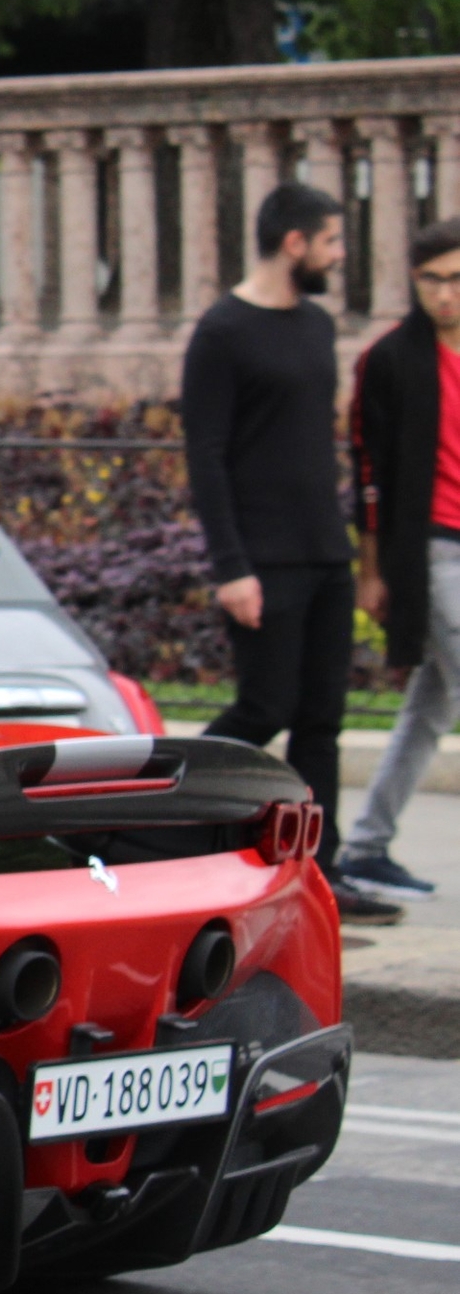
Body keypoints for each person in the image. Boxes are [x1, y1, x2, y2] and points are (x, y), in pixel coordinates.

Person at [182, 181, 401, 925]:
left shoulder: (314, 325)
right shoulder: (222, 331)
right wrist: (230, 567)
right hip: (261, 561)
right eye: (333, 241)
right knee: (263, 707)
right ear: (296, 243)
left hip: (323, 552)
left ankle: (322, 872)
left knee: (321, 720)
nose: (340, 255)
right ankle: (170, 806)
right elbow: (206, 456)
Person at [342, 217, 460, 902]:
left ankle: (365, 847)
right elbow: (368, 473)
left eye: (455, 279)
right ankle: (365, 848)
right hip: (434, 550)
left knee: (429, 712)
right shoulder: (389, 360)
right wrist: (372, 568)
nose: (445, 294)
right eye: (432, 279)